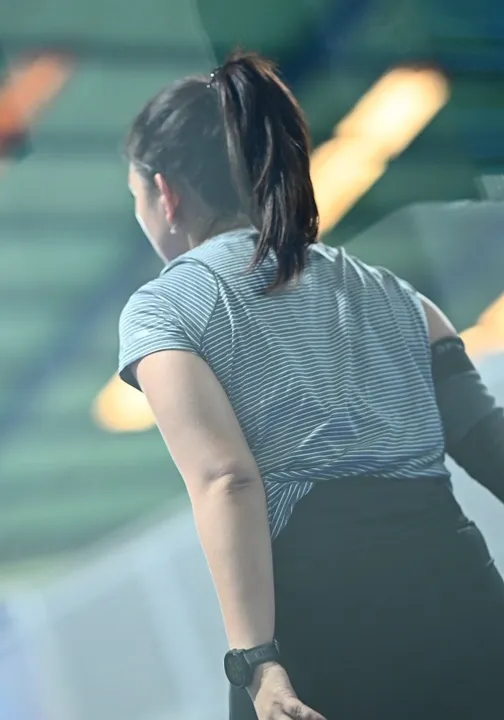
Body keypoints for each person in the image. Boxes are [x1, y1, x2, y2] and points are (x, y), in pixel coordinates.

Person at [117, 51, 504, 720]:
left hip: (324, 628)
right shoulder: (400, 297)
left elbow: (227, 481)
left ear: (165, 194)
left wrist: (257, 663)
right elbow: (489, 444)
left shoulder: (164, 311)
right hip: (464, 603)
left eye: (136, 199)